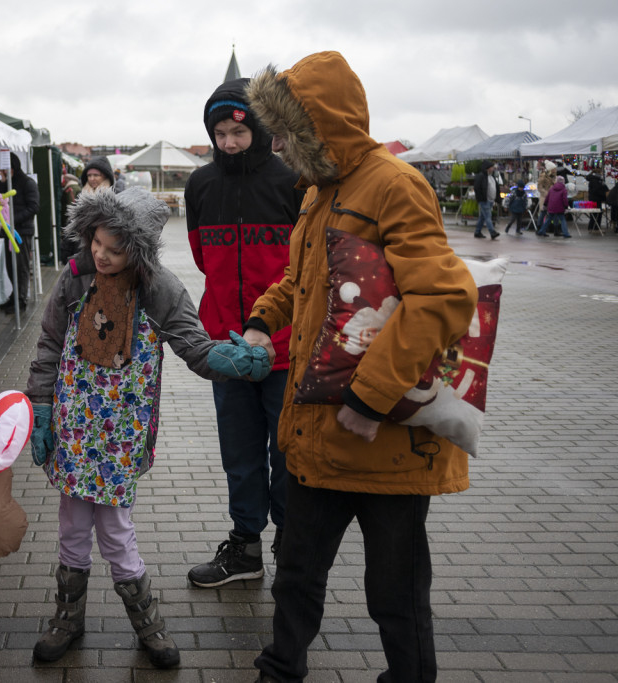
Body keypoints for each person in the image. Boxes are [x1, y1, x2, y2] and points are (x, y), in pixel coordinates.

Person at [243, 51, 478, 682]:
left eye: (290, 131)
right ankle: (279, 670)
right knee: (296, 572)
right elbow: (302, 279)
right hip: (318, 435)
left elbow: (442, 297)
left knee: (395, 596)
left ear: (323, 126)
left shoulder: (395, 185)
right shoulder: (322, 190)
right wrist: (264, 319)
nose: (282, 145)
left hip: (385, 443)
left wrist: (371, 399)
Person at [25, 187, 265, 669]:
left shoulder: (160, 289)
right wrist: (42, 407)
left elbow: (194, 348)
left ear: (138, 250)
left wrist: (234, 360)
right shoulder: (73, 280)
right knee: (71, 526)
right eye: (97, 243)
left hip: (119, 435)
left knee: (115, 531)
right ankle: (66, 618)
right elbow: (50, 343)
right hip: (73, 430)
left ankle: (147, 623)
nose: (102, 255)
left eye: (115, 249)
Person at [183, 77, 305, 587]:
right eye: (219, 133)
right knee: (240, 454)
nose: (228, 142)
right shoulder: (201, 185)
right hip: (227, 350)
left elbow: (307, 265)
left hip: (285, 346)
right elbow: (200, 257)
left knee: (288, 454)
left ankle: (294, 548)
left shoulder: (293, 181)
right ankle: (246, 549)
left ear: (256, 125)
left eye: (237, 130)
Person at [0, 152, 40, 312]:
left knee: (21, 267)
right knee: (10, 266)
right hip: (8, 232)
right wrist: (3, 182)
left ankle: (21, 299)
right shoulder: (4, 183)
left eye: (6, 169)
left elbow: (34, 207)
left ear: (14, 167)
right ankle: (15, 295)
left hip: (22, 232)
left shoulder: (27, 183)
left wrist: (12, 220)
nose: (3, 172)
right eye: (1, 169)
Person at [473, 160, 500, 239]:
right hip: (484, 200)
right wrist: (481, 198)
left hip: (490, 200)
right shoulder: (481, 176)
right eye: (492, 167)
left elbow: (496, 187)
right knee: (488, 216)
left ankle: (477, 232)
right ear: (487, 168)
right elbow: (477, 188)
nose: (493, 168)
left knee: (482, 217)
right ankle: (492, 232)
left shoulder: (491, 176)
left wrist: (497, 198)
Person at [535, 160, 558, 232]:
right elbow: (539, 187)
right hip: (544, 197)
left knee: (554, 213)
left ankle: (555, 229)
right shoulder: (543, 175)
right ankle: (539, 228)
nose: (555, 170)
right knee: (543, 213)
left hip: (553, 197)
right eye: (553, 168)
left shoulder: (554, 176)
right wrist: (546, 193)